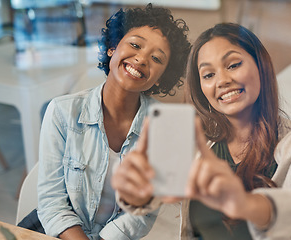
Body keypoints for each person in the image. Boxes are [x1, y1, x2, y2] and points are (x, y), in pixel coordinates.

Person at [112, 22, 291, 240]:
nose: (222, 80)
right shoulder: (193, 142)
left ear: (261, 66)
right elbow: (153, 194)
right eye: (208, 75)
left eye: (233, 65)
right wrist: (135, 193)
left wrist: (245, 203)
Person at [37, 4, 191, 240]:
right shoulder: (61, 111)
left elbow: (144, 213)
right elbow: (51, 202)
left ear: (162, 78)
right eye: (135, 45)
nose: (141, 59)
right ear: (112, 47)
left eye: (157, 58)